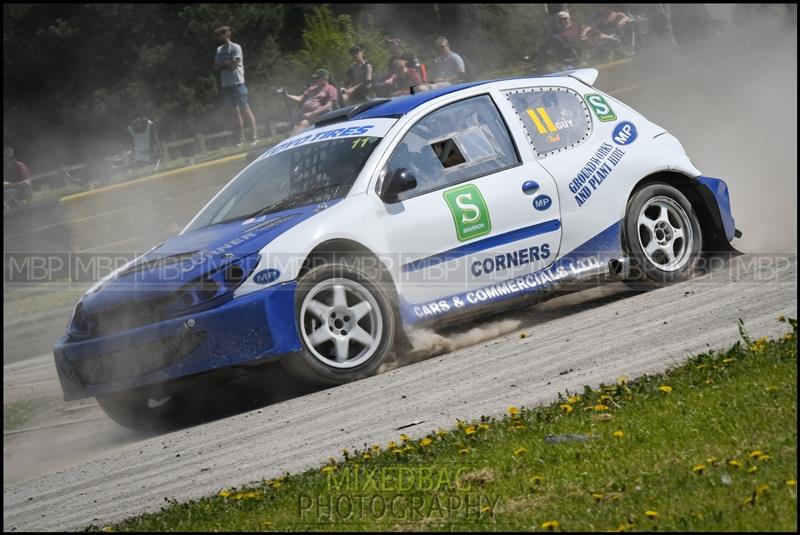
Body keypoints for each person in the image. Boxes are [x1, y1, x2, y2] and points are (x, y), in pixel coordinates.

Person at [213, 25, 259, 146]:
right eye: (218, 35)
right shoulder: (219, 50)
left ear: (226, 34)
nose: (218, 38)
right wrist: (227, 63)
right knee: (234, 112)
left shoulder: (236, 47)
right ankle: (241, 139)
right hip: (226, 84)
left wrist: (225, 64)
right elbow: (216, 67)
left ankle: (255, 136)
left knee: (245, 109)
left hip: (237, 82)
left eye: (220, 34)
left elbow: (235, 64)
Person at [284, 69, 339, 135]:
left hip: (319, 116)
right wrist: (287, 95)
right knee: (294, 127)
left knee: (303, 123)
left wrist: (312, 113)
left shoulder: (330, 88)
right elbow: (300, 98)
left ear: (325, 78)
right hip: (304, 114)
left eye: (317, 78)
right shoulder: (312, 88)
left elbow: (329, 105)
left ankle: (292, 141)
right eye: (315, 78)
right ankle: (290, 141)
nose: (315, 80)